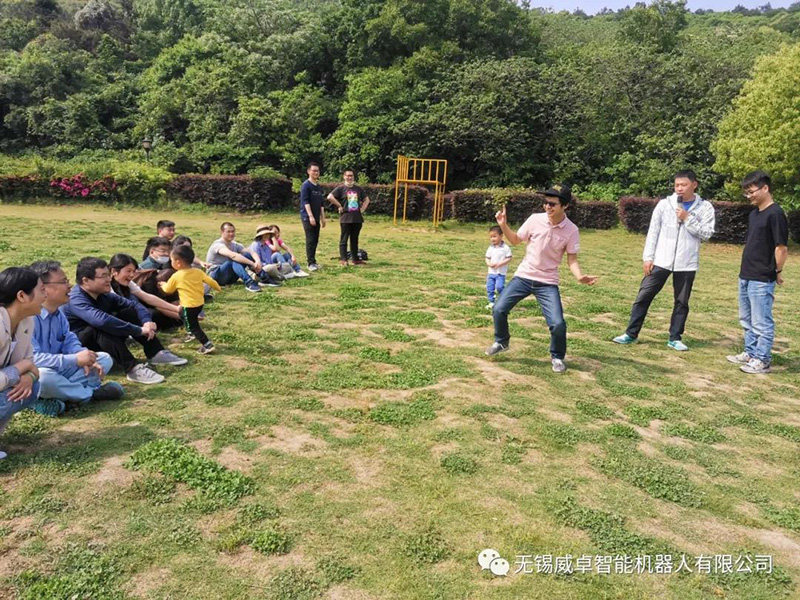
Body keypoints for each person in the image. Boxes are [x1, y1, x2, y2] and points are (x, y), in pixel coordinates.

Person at [485, 184, 598, 373]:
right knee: (498, 309)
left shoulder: (571, 230)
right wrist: (503, 225)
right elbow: (516, 240)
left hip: (547, 282)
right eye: (546, 202)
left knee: (558, 324)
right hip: (524, 276)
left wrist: (579, 276)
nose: (547, 207)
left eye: (552, 204)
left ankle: (557, 357)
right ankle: (502, 341)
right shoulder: (534, 219)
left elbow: (572, 259)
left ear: (565, 206)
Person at [612, 170, 716, 351]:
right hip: (661, 260)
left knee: (681, 302)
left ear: (694, 185)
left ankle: (675, 337)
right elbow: (653, 231)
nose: (680, 188)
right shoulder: (664, 204)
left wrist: (687, 218)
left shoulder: (705, 207)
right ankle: (630, 333)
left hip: (686, 263)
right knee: (644, 296)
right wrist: (648, 257)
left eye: (684, 185)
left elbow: (707, 234)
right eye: (677, 185)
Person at [63, 257, 187, 385]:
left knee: (129, 312)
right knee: (99, 326)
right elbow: (102, 321)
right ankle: (131, 368)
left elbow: (134, 305)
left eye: (108, 275)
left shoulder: (103, 294)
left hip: (104, 341)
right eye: (103, 276)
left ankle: (156, 353)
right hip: (79, 346)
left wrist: (147, 322)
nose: (109, 279)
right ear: (86, 281)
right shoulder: (76, 300)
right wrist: (139, 330)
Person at [29, 260, 124, 416]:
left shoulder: (58, 313)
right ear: (43, 288)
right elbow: (34, 359)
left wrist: (83, 355)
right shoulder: (29, 318)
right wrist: (75, 359)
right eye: (63, 282)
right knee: (44, 378)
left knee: (104, 359)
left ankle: (59, 397)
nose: (69, 286)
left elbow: (69, 340)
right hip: (38, 372)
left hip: (62, 369)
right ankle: (90, 394)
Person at [726, 170, 789, 374]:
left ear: (765, 188)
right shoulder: (754, 214)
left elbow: (781, 248)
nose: (749, 196)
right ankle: (750, 352)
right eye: (746, 192)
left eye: (751, 191)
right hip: (746, 274)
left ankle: (763, 360)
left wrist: (777, 271)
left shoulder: (776, 214)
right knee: (747, 319)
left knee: (762, 321)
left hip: (762, 277)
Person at [0, 267, 44, 459]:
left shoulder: (26, 321)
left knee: (31, 387)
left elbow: (31, 364)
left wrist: (29, 375)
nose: (45, 295)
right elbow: (26, 363)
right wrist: (21, 368)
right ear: (22, 296)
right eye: (42, 290)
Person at [160, 244, 221, 355]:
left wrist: (163, 284)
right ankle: (191, 333)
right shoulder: (198, 272)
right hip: (199, 304)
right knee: (181, 313)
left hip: (189, 306)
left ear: (178, 262)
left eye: (171, 260)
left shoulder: (177, 276)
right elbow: (210, 281)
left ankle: (207, 344)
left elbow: (168, 290)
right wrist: (218, 288)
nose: (171, 262)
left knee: (194, 326)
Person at [109, 254, 182, 331]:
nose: (132, 275)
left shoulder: (127, 283)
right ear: (114, 271)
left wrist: (176, 309)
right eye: (128, 271)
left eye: (133, 271)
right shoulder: (107, 285)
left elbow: (147, 297)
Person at [205, 222, 280, 293]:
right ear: (222, 232)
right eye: (228, 232)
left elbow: (251, 251)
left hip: (230, 277)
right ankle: (249, 282)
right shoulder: (218, 245)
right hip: (215, 276)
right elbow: (233, 256)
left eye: (233, 231)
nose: (231, 234)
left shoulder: (234, 244)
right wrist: (252, 263)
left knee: (246, 255)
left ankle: (264, 278)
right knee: (233, 260)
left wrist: (257, 260)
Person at [327, 169, 371, 266]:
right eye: (348, 175)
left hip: (357, 218)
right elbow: (329, 197)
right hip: (345, 218)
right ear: (344, 177)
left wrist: (362, 210)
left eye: (351, 176)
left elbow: (367, 200)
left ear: (353, 177)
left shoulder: (358, 189)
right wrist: (339, 205)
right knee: (344, 239)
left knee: (354, 240)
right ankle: (344, 259)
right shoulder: (340, 188)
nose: (349, 177)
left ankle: (355, 259)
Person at [299, 162, 327, 271]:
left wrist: (322, 217)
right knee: (310, 239)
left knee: (315, 239)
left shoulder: (318, 187)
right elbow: (305, 202)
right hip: (307, 217)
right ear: (308, 171)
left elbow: (321, 204)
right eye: (314, 170)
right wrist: (310, 216)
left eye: (317, 171)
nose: (316, 173)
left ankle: (314, 261)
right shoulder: (306, 185)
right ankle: (310, 263)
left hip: (316, 217)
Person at [485, 225, 512, 310]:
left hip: (500, 273)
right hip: (491, 272)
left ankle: (505, 300)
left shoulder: (505, 248)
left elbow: (509, 258)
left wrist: (500, 264)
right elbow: (487, 257)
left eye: (494, 236)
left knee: (499, 287)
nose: (492, 239)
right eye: (491, 237)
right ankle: (491, 302)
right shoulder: (490, 248)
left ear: (501, 236)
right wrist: (489, 264)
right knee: (490, 288)